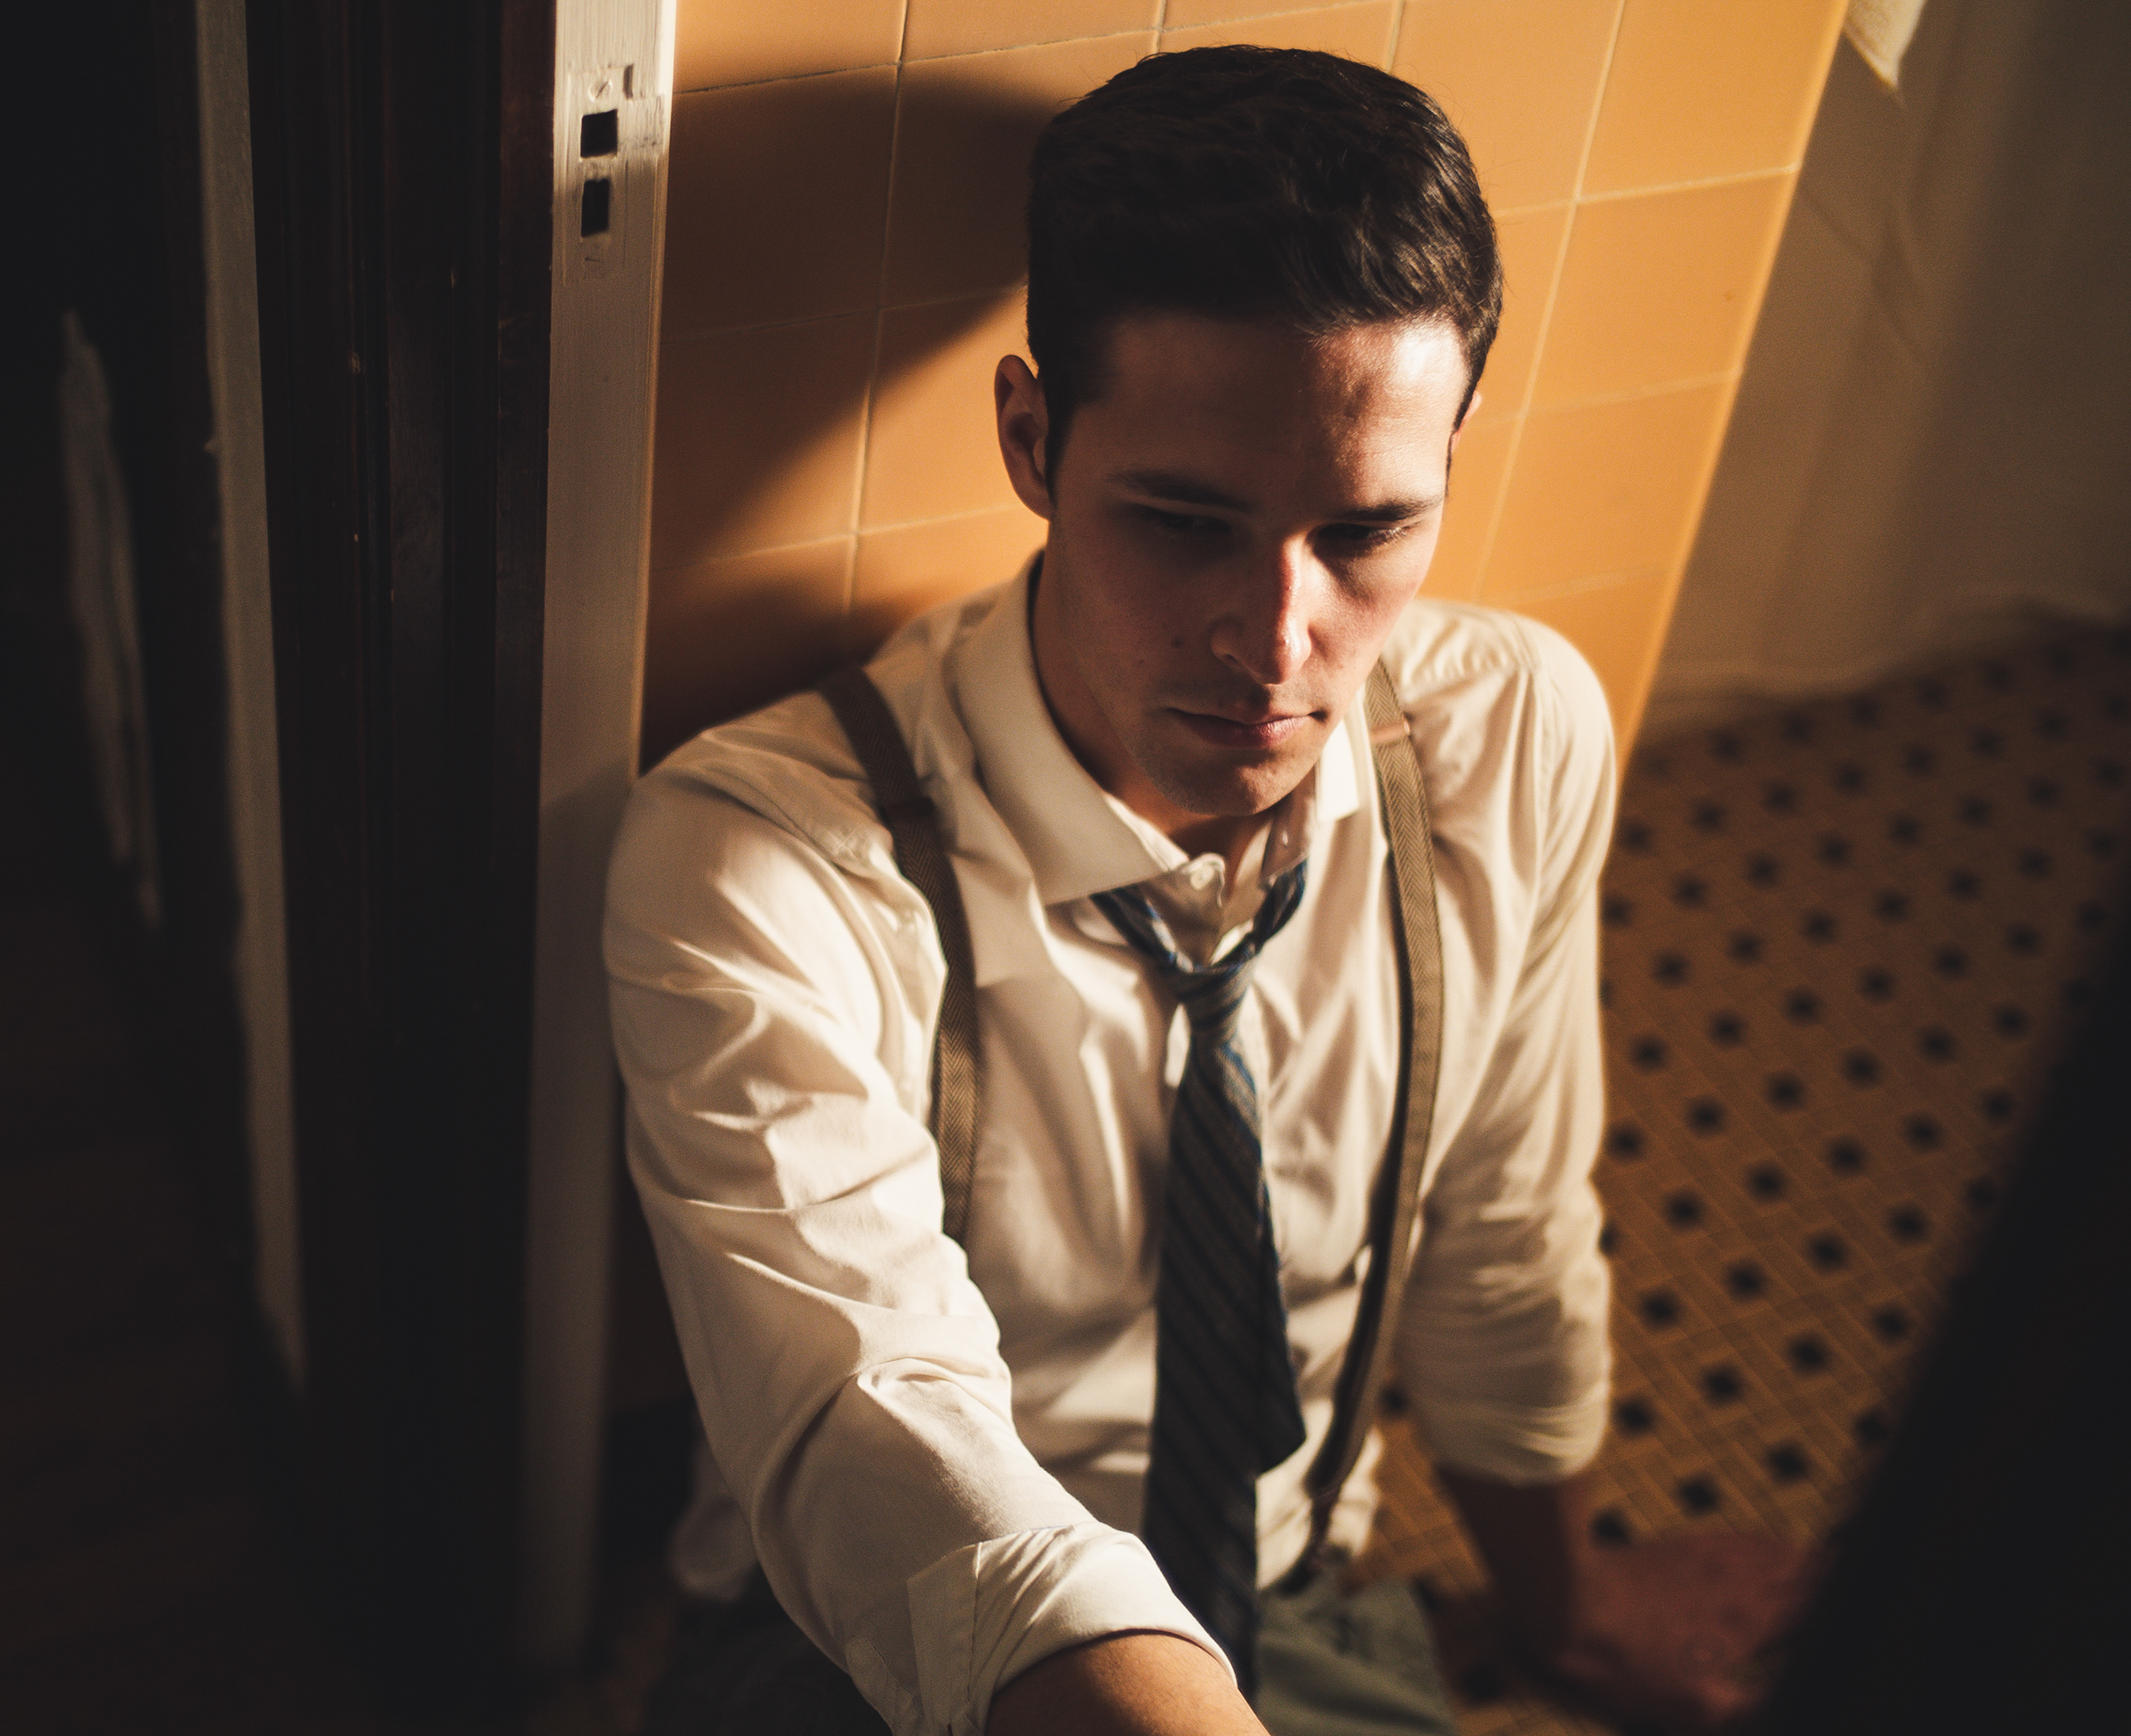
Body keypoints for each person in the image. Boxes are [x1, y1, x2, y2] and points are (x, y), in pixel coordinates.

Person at [606, 47, 1809, 1736]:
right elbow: (873, 1428)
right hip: (858, 1650)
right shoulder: (758, 861)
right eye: (1184, 524)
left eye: (1368, 533)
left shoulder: (1509, 733)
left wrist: (1569, 1615)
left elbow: (1506, 1224)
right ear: (1033, 439)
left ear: (1455, 453)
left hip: (1289, 1587)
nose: (1276, 639)